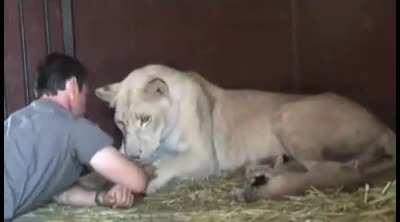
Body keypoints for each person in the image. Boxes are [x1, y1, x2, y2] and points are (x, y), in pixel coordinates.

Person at [4, 53, 147, 221]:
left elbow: (59, 193)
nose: (85, 105)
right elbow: (137, 181)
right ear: (72, 86)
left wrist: (102, 197)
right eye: (84, 94)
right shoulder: (72, 125)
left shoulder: (14, 122)